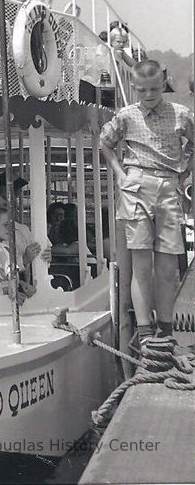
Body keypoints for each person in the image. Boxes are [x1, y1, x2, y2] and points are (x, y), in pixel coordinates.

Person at [100, 58, 194, 344]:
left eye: (154, 88)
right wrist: (119, 175)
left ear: (163, 82)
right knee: (141, 267)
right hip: (136, 186)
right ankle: (144, 334)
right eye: (143, 90)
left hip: (168, 186)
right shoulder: (126, 116)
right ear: (134, 86)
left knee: (167, 269)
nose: (149, 95)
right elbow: (105, 143)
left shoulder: (181, 114)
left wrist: (186, 172)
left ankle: (165, 332)